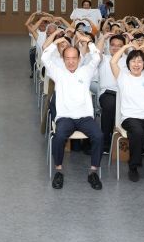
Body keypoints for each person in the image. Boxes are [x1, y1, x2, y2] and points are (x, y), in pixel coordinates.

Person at [42, 32, 103, 190]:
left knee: (98, 136)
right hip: (65, 117)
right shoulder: (58, 72)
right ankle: (59, 171)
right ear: (63, 59)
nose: (70, 62)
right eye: (67, 58)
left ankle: (93, 172)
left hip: (85, 118)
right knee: (59, 136)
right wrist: (56, 42)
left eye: (74, 58)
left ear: (79, 59)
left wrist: (89, 42)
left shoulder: (86, 71)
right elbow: (45, 58)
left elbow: (96, 57)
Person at [111, 42, 144, 182]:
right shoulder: (122, 77)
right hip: (130, 117)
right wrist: (126, 47)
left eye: (140, 61)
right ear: (128, 63)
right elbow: (113, 61)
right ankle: (133, 166)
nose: (136, 64)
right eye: (133, 61)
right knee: (138, 133)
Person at [96, 33, 126, 154]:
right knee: (110, 104)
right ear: (109, 46)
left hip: (124, 94)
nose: (115, 48)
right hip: (107, 93)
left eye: (119, 46)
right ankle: (106, 142)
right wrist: (103, 38)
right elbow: (97, 53)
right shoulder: (104, 59)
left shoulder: (128, 60)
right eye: (113, 45)